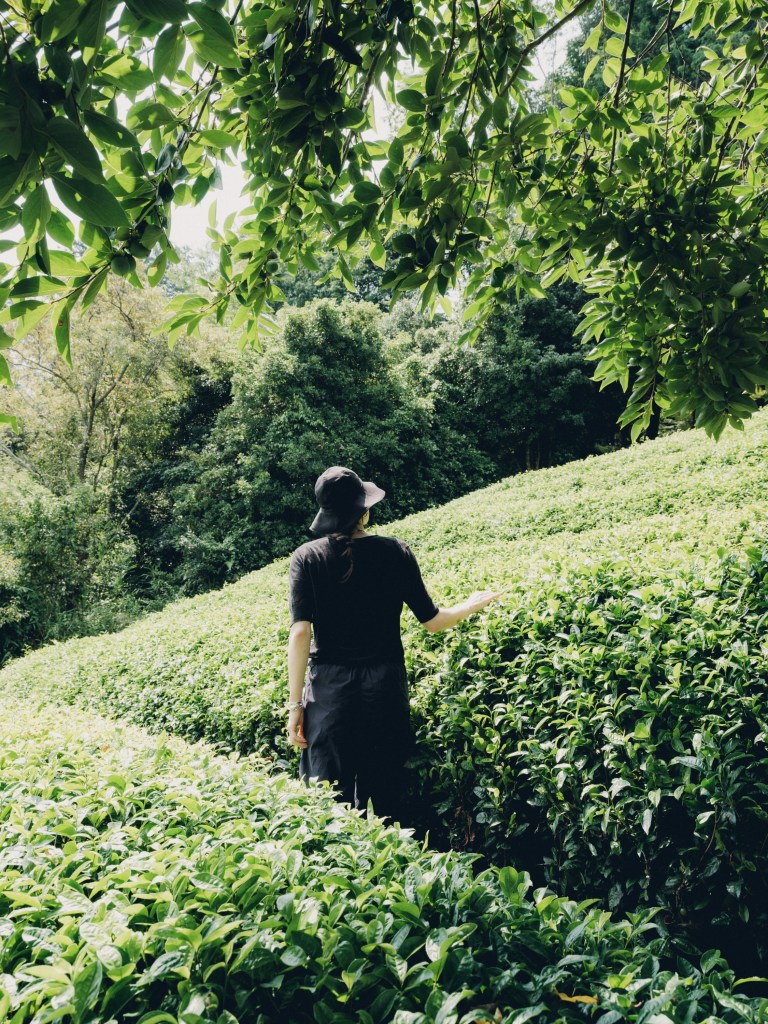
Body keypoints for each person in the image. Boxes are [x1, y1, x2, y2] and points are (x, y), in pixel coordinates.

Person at [287, 465, 501, 821]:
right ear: (364, 512)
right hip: (383, 687)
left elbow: (299, 633)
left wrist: (296, 705)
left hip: (329, 689)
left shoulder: (307, 558)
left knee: (325, 803)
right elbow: (433, 622)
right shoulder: (396, 552)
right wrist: (471, 604)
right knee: (383, 799)